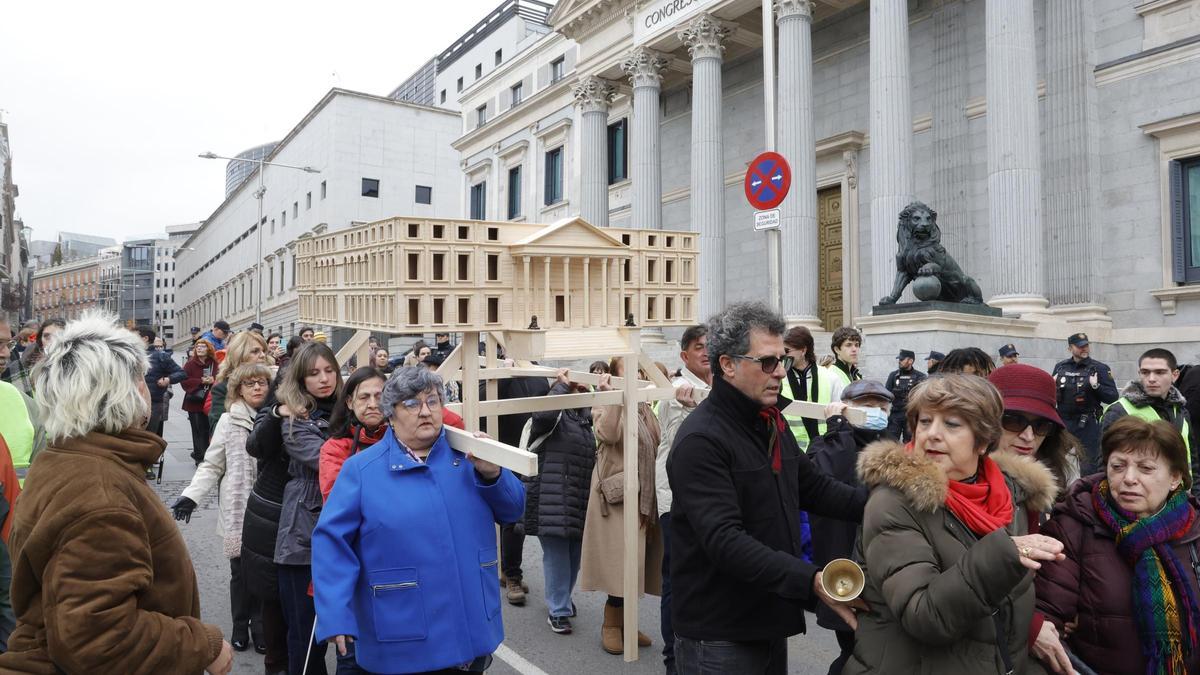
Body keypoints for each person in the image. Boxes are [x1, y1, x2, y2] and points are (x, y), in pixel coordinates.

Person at [0, 312, 233, 674]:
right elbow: (98, 640)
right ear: (118, 392)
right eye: (139, 376)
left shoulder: (70, 457)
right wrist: (203, 644)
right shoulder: (100, 493)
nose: (147, 384)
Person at [667, 302, 869, 674]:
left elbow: (814, 488)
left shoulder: (768, 421)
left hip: (769, 616)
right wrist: (810, 581)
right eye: (767, 363)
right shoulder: (701, 439)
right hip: (719, 632)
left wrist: (884, 506)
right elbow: (726, 540)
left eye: (784, 362)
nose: (780, 373)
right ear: (727, 364)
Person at [312, 366, 524, 674]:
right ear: (391, 413)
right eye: (412, 403)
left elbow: (514, 510)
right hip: (402, 633)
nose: (425, 411)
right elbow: (331, 543)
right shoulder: (361, 470)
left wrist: (493, 473)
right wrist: (335, 613)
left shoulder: (469, 458)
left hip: (471, 625)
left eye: (433, 401)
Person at [845, 374, 1062, 674]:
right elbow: (925, 616)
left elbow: (1010, 611)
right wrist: (1003, 554)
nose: (932, 434)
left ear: (984, 440)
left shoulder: (1009, 493)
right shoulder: (893, 503)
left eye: (952, 424)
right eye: (925, 421)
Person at [1036, 416, 1200, 674]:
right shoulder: (1075, 526)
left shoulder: (1194, 528)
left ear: (1175, 478)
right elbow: (1046, 619)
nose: (1129, 478)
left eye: (1146, 469)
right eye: (1118, 466)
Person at [172, 363, 273, 655]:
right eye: (250, 383)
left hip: (268, 509)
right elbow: (213, 464)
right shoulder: (229, 421)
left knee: (264, 571)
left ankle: (260, 625)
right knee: (240, 571)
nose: (256, 388)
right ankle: (240, 625)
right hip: (238, 510)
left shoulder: (277, 417)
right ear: (238, 389)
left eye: (262, 383)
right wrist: (191, 496)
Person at [264, 341, 342, 675]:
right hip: (302, 541)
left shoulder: (351, 409)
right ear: (301, 379)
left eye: (329, 371)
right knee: (307, 640)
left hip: (346, 537)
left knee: (351, 636)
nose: (324, 379)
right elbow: (331, 463)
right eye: (314, 374)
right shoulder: (294, 418)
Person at [808, 379, 894, 674]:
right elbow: (829, 477)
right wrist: (839, 430)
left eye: (881, 407)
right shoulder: (827, 444)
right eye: (866, 407)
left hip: (882, 568)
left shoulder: (892, 449)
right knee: (853, 647)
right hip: (842, 564)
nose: (875, 412)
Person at [581, 357, 663, 656]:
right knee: (620, 564)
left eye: (639, 371)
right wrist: (614, 397)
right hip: (616, 498)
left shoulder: (644, 407)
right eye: (628, 372)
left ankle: (626, 623)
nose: (637, 376)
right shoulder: (605, 401)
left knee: (636, 563)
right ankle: (611, 625)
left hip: (642, 496)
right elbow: (609, 434)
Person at [654, 325, 711, 673]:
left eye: (710, 346)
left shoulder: (721, 389)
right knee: (676, 578)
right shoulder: (676, 389)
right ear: (684, 355)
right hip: (675, 500)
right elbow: (675, 437)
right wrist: (685, 405)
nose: (705, 352)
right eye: (698, 347)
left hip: (711, 500)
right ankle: (673, 656)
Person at [523, 368, 596, 635]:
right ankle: (558, 610)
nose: (580, 393)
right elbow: (543, 413)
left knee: (574, 556)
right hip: (550, 499)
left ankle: (562, 598)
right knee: (556, 556)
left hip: (578, 499)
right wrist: (562, 386)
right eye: (576, 390)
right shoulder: (553, 417)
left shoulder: (585, 422)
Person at [1100, 348, 1198, 487]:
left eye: (1160, 372)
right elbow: (1104, 467)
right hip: (1139, 499)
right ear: (1139, 374)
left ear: (1175, 375)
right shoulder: (1119, 411)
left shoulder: (1181, 411)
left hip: (1181, 499)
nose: (1151, 379)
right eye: (1145, 372)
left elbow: (1192, 462)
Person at [494, 369, 551, 607]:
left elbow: (546, 410)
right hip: (506, 452)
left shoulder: (538, 374)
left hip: (536, 453)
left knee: (531, 516)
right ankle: (512, 576)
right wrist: (505, 374)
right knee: (513, 518)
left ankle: (510, 570)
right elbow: (484, 400)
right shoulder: (498, 371)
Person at [989, 364, 1082, 504]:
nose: (1029, 437)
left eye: (1041, 426)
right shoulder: (960, 479)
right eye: (1014, 421)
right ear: (987, 420)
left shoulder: (1063, 470)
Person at [1052, 332, 1119, 475]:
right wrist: (1051, 384)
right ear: (1070, 348)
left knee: (1089, 466)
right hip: (1063, 422)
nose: (1084, 349)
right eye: (1080, 346)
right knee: (1055, 461)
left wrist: (1096, 386)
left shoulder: (1099, 368)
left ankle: (1087, 495)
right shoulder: (1061, 367)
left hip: (1086, 423)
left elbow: (1113, 397)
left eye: (1086, 345)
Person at [317, 367, 388, 501]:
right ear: (349, 402)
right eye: (363, 397)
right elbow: (338, 500)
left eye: (380, 397)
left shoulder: (404, 439)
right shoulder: (334, 449)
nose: (373, 404)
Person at [209, 331, 274, 436]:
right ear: (239, 355)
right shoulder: (223, 388)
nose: (262, 355)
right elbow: (217, 429)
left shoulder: (271, 381)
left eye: (263, 351)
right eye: (255, 351)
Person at [781, 325, 834, 451]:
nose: (783, 355)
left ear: (803, 350)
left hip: (824, 451)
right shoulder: (779, 377)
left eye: (787, 351)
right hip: (790, 451)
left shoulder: (830, 377)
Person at [137, 326, 185, 439]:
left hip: (153, 403)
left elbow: (181, 373)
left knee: (149, 438)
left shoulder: (161, 356)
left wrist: (168, 380)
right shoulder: (130, 355)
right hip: (133, 403)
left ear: (145, 338)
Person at [182, 338, 218, 465]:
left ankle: (209, 455)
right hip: (195, 402)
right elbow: (184, 381)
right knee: (198, 430)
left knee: (210, 429)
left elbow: (221, 377)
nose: (199, 348)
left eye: (203, 346)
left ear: (209, 349)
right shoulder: (190, 364)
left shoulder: (215, 363)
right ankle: (200, 457)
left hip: (211, 401)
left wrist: (213, 380)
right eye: (198, 346)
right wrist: (200, 381)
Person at [10, 317, 65, 397]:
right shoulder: (21, 367)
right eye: (47, 336)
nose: (52, 341)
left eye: (59, 335)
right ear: (40, 340)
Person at [884, 349, 926, 441]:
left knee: (910, 443)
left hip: (911, 415)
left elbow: (923, 398)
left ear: (910, 361)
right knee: (890, 442)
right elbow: (886, 395)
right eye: (899, 359)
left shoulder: (920, 377)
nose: (899, 361)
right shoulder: (893, 375)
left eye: (902, 359)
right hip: (895, 414)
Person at [824, 326, 863, 396]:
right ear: (837, 350)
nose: (854, 349)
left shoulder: (857, 376)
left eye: (857, 345)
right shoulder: (830, 374)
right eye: (849, 345)